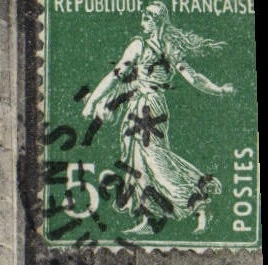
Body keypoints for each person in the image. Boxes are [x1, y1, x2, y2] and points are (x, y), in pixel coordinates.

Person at [82, 3, 235, 236]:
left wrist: (219, 90)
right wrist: (220, 90)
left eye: (147, 16)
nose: (143, 19)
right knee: (137, 162)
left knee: (155, 160)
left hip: (149, 109)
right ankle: (148, 218)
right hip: (142, 107)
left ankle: (199, 204)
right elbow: (117, 77)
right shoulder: (152, 46)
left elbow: (192, 78)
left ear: (154, 20)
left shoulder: (148, 46)